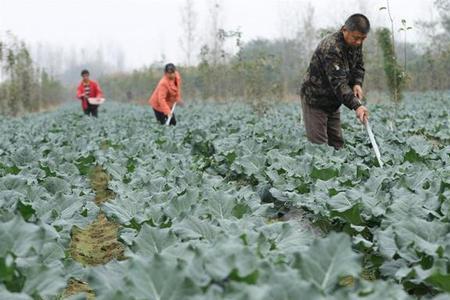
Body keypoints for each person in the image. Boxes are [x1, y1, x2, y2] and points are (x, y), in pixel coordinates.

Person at [300, 14, 370, 149]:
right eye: (356, 38)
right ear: (344, 30)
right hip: (316, 100)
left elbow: (359, 65)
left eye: (363, 39)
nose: (359, 42)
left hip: (333, 101)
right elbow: (339, 84)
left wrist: (357, 83)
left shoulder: (355, 43)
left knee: (337, 145)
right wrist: (357, 106)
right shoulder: (331, 48)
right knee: (319, 148)